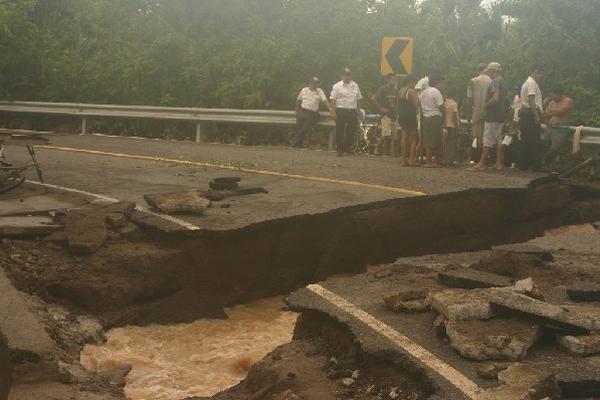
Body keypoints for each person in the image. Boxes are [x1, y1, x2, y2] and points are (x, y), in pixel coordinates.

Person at [474, 62, 508, 171]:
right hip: (501, 115)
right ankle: (498, 163)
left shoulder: (495, 82)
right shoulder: (503, 82)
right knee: (498, 139)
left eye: (489, 71)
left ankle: (482, 163)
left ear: (493, 71)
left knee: (488, 138)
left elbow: (495, 98)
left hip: (493, 114)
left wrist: (485, 105)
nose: (488, 74)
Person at [330, 68, 363, 157]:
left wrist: (358, 112)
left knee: (351, 131)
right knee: (340, 130)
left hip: (352, 111)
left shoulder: (355, 85)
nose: (347, 77)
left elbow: (358, 99)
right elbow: (333, 99)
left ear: (350, 76)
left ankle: (347, 147)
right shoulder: (337, 86)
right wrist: (333, 112)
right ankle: (339, 149)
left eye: (348, 75)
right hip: (341, 110)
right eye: (345, 75)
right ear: (342, 76)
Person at [293, 77, 332, 147]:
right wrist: (297, 110)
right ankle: (299, 144)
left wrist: (329, 108)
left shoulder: (319, 91)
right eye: (314, 83)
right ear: (310, 83)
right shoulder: (304, 90)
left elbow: (324, 100)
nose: (315, 85)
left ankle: (294, 141)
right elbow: (298, 100)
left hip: (312, 113)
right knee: (299, 128)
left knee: (305, 128)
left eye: (316, 84)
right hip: (303, 111)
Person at [518, 65, 544, 170]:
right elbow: (531, 99)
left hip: (525, 113)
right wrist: (536, 115)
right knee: (534, 139)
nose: (539, 75)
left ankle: (524, 164)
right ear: (532, 73)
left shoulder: (527, 82)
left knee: (526, 139)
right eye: (537, 73)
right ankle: (535, 165)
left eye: (540, 73)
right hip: (530, 113)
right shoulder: (531, 83)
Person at [543, 86, 574, 166]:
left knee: (555, 148)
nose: (552, 97)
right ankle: (548, 166)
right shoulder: (552, 102)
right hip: (550, 127)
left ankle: (545, 163)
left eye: (553, 95)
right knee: (545, 146)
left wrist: (552, 112)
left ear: (559, 94)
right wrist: (552, 114)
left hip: (561, 128)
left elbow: (561, 111)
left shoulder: (568, 100)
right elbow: (545, 114)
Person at [419, 75, 445, 167]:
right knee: (436, 140)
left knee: (428, 139)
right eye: (442, 83)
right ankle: (431, 162)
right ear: (437, 82)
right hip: (435, 117)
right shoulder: (436, 92)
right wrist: (444, 116)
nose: (443, 85)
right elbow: (441, 106)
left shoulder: (423, 93)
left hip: (426, 117)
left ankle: (429, 160)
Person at [465, 63, 492, 150]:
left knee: (476, 134)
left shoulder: (473, 81)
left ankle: (476, 154)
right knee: (487, 134)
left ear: (478, 70)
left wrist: (468, 113)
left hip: (476, 110)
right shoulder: (492, 81)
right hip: (489, 111)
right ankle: (486, 156)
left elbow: (469, 99)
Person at [371, 73, 399, 156]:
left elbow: (397, 102)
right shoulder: (383, 89)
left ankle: (390, 151)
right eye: (393, 80)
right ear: (388, 80)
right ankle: (377, 146)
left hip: (394, 114)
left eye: (395, 80)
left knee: (395, 134)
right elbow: (373, 98)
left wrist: (397, 109)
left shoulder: (395, 90)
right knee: (386, 133)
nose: (394, 82)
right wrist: (381, 108)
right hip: (385, 114)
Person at [398, 75, 420, 166]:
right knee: (413, 137)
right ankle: (411, 160)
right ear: (411, 81)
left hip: (402, 115)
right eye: (415, 82)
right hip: (410, 115)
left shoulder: (401, 90)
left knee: (404, 137)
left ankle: (403, 160)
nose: (415, 85)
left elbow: (398, 104)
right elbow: (416, 104)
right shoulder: (411, 91)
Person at [442, 91, 460, 165]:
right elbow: (454, 116)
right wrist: (457, 126)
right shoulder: (454, 104)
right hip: (452, 126)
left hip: (445, 125)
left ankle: (445, 159)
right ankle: (450, 160)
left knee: (445, 143)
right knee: (452, 143)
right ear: (454, 95)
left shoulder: (444, 103)